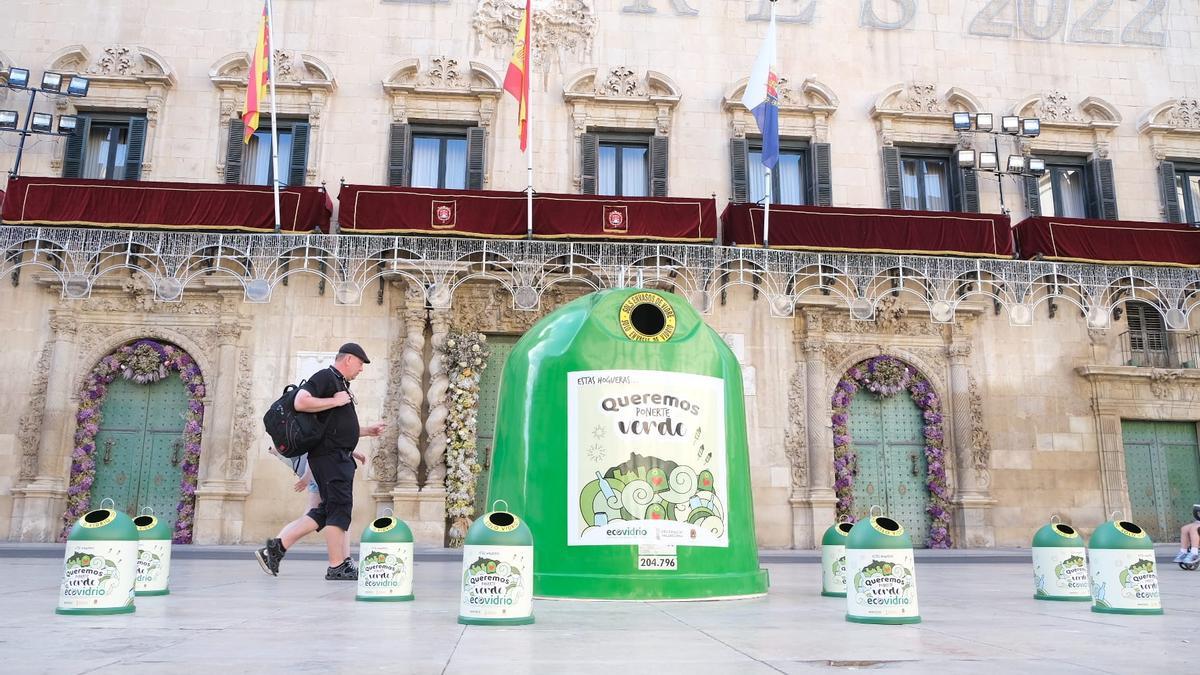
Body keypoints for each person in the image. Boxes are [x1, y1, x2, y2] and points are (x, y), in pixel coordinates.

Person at [256, 343, 387, 580]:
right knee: (337, 510)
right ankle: (337, 565)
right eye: (360, 364)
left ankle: (274, 549)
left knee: (327, 511)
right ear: (348, 359)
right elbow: (300, 402)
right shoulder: (326, 377)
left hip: (337, 457)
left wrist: (366, 430)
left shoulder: (339, 383)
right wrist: (336, 401)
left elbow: (334, 426)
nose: (361, 370)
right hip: (330, 458)